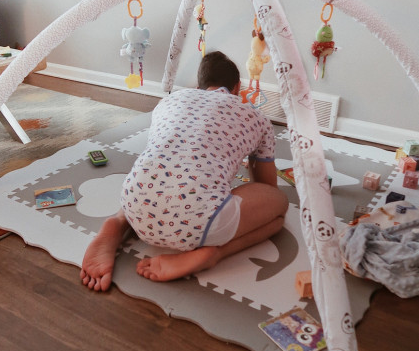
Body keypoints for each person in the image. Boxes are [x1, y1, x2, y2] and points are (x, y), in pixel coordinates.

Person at [80, 50, 288, 292]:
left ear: (200, 85)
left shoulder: (169, 101)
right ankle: (214, 253)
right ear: (237, 87)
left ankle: (117, 224)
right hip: (201, 223)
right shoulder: (256, 116)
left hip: (133, 203)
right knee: (278, 210)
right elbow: (266, 187)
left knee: (158, 175)